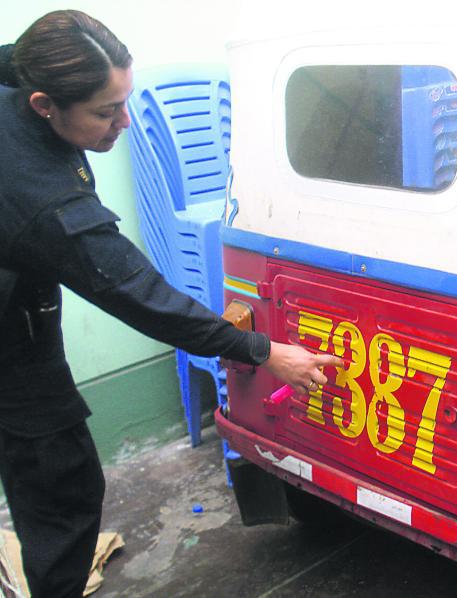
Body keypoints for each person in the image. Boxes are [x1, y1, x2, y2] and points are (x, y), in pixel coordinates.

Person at [0, 10, 341, 598]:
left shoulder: (18, 67)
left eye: (125, 100)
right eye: (106, 112)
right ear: (42, 105)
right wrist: (263, 352)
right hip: (14, 333)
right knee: (62, 484)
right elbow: (140, 295)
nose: (124, 123)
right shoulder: (47, 204)